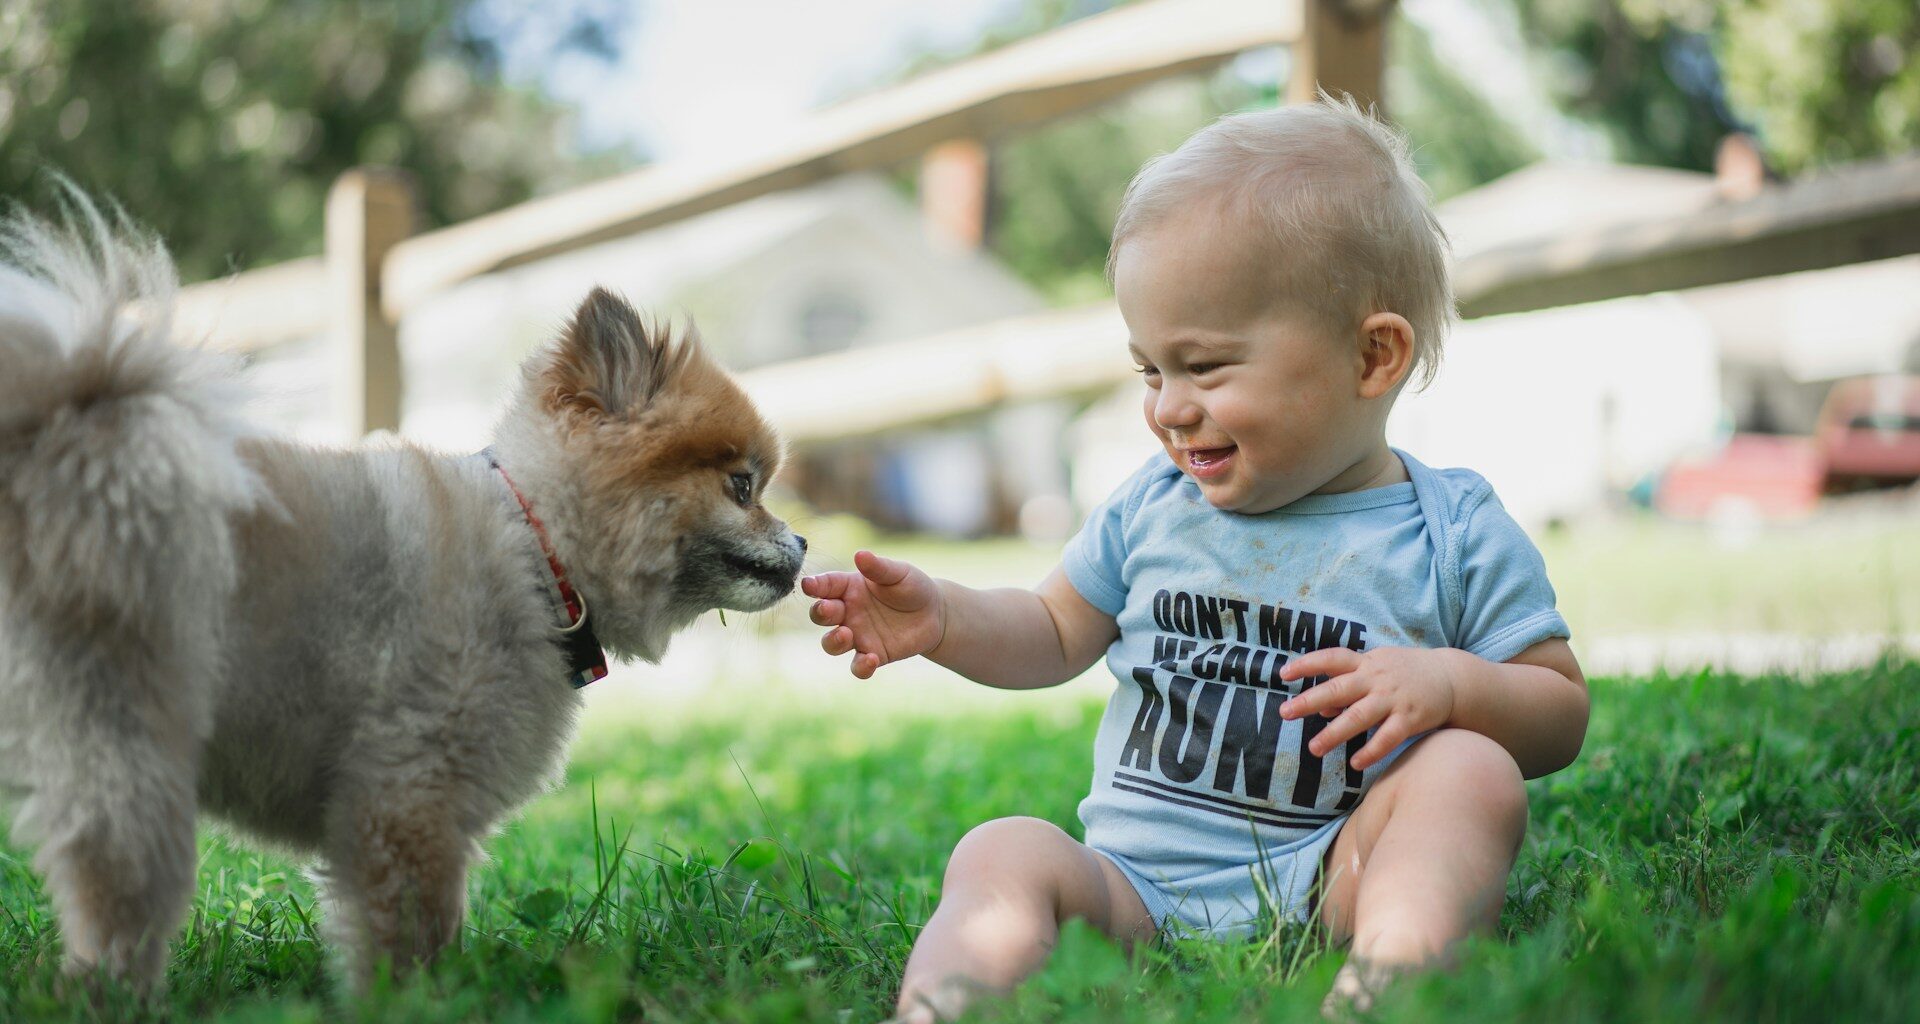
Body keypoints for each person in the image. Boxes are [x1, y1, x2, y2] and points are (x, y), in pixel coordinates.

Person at [800, 95, 1589, 1022]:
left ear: (1372, 356)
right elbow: (1053, 629)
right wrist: (946, 619)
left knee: (1472, 774)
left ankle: (1386, 985)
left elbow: (1559, 709)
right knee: (1002, 848)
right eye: (1150, 370)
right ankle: (940, 1010)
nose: (1169, 406)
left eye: (1206, 367)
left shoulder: (1448, 527)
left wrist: (1452, 687)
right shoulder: (1152, 504)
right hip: (1130, 891)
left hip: (1333, 879)